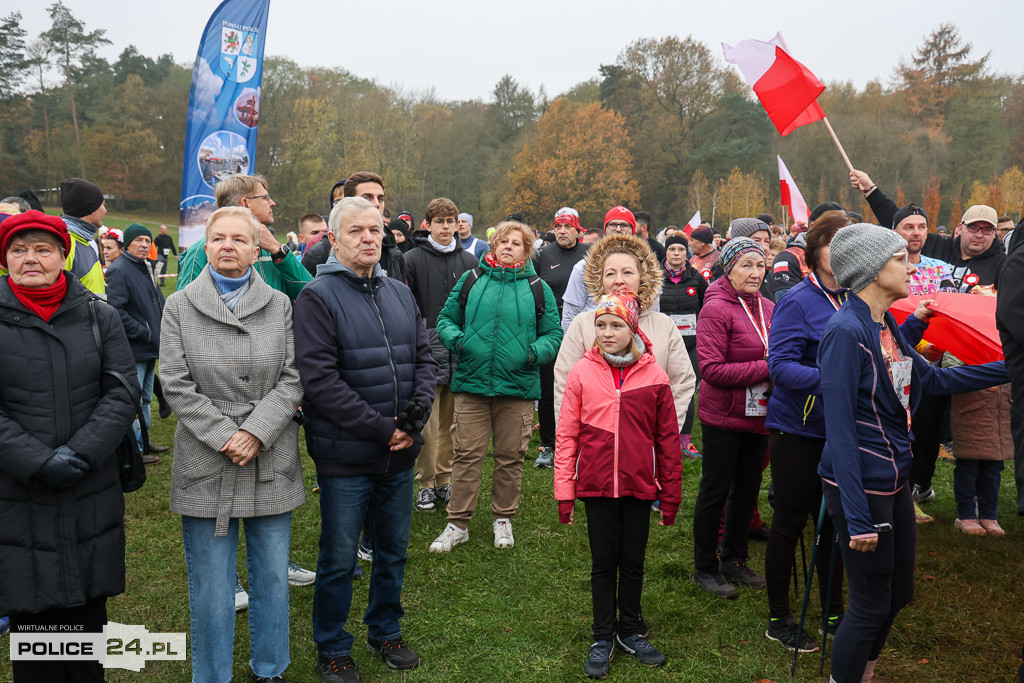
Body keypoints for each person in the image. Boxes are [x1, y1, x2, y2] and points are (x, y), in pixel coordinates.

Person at [818, 223, 1008, 683]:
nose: (911, 266)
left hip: (893, 477)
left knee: (898, 592)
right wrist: (858, 516)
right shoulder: (846, 332)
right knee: (868, 603)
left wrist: (1011, 367)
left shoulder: (883, 324)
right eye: (900, 258)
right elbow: (839, 431)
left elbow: (932, 379)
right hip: (860, 483)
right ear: (870, 269)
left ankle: (863, 673)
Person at [160, 206, 306, 683]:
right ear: (205, 244)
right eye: (218, 238)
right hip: (206, 459)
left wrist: (256, 431)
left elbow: (292, 377)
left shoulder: (280, 305)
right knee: (211, 587)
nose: (228, 246)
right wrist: (227, 436)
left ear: (255, 248)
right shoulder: (178, 305)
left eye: (239, 240)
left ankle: (270, 669)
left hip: (270, 457)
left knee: (270, 579)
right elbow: (176, 384)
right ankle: (212, 675)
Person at [294, 196, 436, 681]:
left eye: (375, 229)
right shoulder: (317, 297)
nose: (369, 238)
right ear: (333, 239)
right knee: (337, 560)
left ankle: (385, 628)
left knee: (393, 550)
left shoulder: (399, 291)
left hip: (399, 454)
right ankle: (332, 644)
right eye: (356, 231)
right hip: (347, 455)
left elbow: (425, 356)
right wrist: (384, 429)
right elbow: (321, 382)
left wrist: (414, 419)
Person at [0, 210, 139, 682]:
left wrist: (81, 454)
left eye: (42, 249)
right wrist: (38, 463)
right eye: (19, 250)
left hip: (89, 487)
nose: (31, 259)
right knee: (33, 631)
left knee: (85, 633)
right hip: (18, 494)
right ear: (5, 259)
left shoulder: (99, 314)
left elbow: (122, 390)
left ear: (64, 255)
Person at [555, 289, 681, 678]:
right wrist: (565, 492)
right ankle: (601, 635)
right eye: (601, 325)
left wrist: (670, 494)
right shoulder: (581, 372)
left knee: (633, 560)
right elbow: (566, 436)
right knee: (603, 561)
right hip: (595, 485)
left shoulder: (655, 376)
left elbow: (668, 440)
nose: (607, 332)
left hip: (639, 484)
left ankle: (630, 629)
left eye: (616, 325)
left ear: (633, 328)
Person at [429, 220, 563, 552]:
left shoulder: (537, 287)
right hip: (472, 385)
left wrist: (533, 353)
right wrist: (458, 342)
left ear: (527, 250)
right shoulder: (471, 280)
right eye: (502, 241)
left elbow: (554, 334)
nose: (507, 246)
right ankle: (457, 523)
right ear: (493, 245)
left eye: (516, 243)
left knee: (510, 457)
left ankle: (502, 519)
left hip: (517, 388)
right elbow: (445, 319)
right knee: (466, 455)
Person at [554, 234, 696, 458]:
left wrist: (665, 435)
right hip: (595, 449)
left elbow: (682, 382)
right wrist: (576, 438)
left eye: (627, 272)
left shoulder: (664, 325)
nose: (618, 280)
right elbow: (564, 384)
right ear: (599, 279)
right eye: (610, 273)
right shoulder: (583, 324)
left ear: (643, 277)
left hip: (647, 449)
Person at [691, 237, 774, 599]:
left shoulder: (769, 307)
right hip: (723, 417)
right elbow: (711, 369)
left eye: (760, 265)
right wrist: (767, 367)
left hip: (760, 414)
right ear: (729, 267)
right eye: (746, 265)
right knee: (715, 491)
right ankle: (705, 567)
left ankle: (735, 559)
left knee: (747, 490)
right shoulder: (716, 309)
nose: (755, 273)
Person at [403, 198, 477, 512]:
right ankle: (426, 482)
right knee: (427, 424)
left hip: (460, 348)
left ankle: (446, 480)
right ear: (428, 224)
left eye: (451, 221)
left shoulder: (470, 262)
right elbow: (407, 305)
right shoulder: (412, 259)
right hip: (427, 346)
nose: (446, 227)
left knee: (453, 423)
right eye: (440, 221)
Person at [851, 170, 1005, 288]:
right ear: (960, 228)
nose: (979, 235)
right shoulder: (939, 246)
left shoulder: (1003, 265)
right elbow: (899, 220)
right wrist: (871, 190)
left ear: (994, 234)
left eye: (987, 230)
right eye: (973, 228)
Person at [177, 174, 313, 297]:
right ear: (245, 203)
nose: (272, 203)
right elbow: (185, 308)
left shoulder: (272, 250)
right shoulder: (201, 250)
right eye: (265, 198)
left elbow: (309, 293)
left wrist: (278, 251)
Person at [105, 223, 170, 461]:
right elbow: (116, 310)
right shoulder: (120, 269)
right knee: (132, 399)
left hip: (149, 347)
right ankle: (132, 450)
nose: (144, 244)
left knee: (144, 397)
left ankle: (143, 443)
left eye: (147, 240)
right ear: (128, 243)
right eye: (139, 240)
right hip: (134, 347)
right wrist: (144, 332)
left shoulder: (144, 266)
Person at [533, 207, 589, 468]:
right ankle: (548, 444)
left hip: (581, 331)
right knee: (547, 388)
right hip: (548, 330)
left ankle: (579, 441)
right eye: (558, 227)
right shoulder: (542, 255)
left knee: (580, 387)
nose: (563, 231)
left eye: (568, 227)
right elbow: (530, 288)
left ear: (578, 230)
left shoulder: (589, 255)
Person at [301, 172, 408, 283]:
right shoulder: (319, 253)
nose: (376, 204)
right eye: (367, 198)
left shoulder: (394, 253)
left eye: (380, 198)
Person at [561, 206, 649, 330]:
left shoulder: (646, 266)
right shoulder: (584, 267)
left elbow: (651, 312)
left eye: (624, 225)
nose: (618, 229)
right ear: (605, 229)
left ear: (633, 230)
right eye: (613, 225)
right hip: (593, 339)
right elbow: (570, 316)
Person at [658, 234, 706, 456]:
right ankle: (660, 436)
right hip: (664, 343)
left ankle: (685, 440)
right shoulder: (655, 278)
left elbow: (707, 307)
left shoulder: (696, 279)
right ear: (665, 253)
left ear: (687, 253)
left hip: (691, 344)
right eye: (672, 249)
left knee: (687, 389)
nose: (676, 253)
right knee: (661, 389)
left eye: (680, 249)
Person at [59, 177, 108, 295]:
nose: (105, 211)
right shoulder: (65, 244)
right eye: (102, 205)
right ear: (92, 208)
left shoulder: (86, 242)